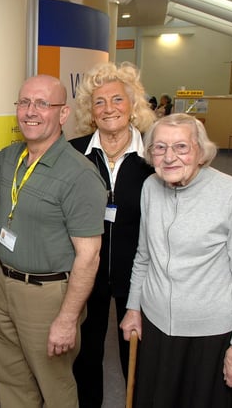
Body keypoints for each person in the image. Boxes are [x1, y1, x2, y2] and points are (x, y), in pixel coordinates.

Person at [0, 75, 107, 408]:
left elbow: (89, 257)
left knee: (55, 387)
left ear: (63, 114)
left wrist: (66, 320)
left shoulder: (79, 175)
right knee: (12, 383)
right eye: (24, 102)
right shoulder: (13, 156)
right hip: (5, 285)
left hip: (48, 297)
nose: (30, 111)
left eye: (41, 104)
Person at [120, 113, 232, 408]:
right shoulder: (150, 187)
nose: (169, 157)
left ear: (201, 152)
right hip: (157, 328)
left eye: (181, 147)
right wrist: (134, 308)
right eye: (159, 148)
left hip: (209, 335)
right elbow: (144, 256)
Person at [69, 61, 156, 408]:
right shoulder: (75, 153)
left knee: (135, 353)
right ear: (90, 111)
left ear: (133, 105)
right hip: (85, 271)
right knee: (85, 354)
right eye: (99, 101)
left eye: (117, 99)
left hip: (139, 275)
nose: (109, 109)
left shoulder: (154, 154)